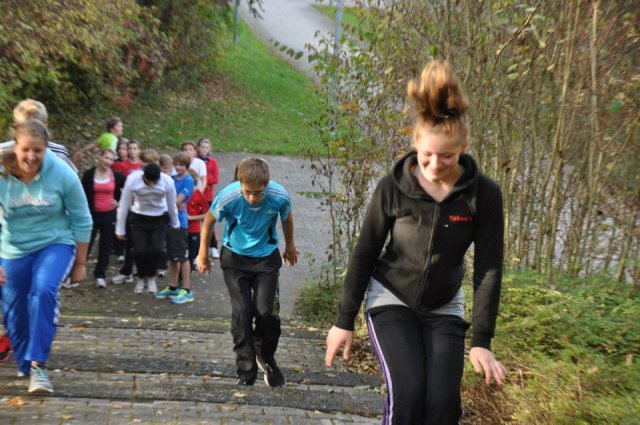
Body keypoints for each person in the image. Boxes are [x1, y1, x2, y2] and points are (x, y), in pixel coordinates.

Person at [324, 60, 507, 424]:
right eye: (426, 155)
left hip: (444, 305)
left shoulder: (484, 195)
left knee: (443, 405)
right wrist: (344, 321)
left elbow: (488, 269)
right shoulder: (393, 188)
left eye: (447, 156)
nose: (435, 165)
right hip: (391, 298)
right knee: (407, 394)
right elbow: (365, 252)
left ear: (464, 148)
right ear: (415, 144)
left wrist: (482, 342)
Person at [0, 119, 92, 394]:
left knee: (43, 290)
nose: (31, 157)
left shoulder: (62, 173)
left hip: (55, 243)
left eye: (38, 151)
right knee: (14, 310)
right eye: (26, 150)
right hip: (14, 248)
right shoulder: (3, 174)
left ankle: (39, 366)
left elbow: (82, 219)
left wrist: (81, 263)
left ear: (45, 150)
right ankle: (26, 362)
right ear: (16, 147)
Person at [197, 157, 298, 387]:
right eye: (247, 192)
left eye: (258, 192)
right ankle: (246, 370)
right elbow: (208, 221)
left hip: (266, 259)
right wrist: (203, 253)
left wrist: (290, 246)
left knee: (266, 313)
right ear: (239, 184)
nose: (253, 198)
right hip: (235, 258)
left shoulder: (279, 196)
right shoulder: (230, 196)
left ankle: (265, 354)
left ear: (267, 185)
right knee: (242, 311)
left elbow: (287, 217)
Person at [116, 162, 179, 294]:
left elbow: (171, 204)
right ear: (143, 177)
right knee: (139, 250)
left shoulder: (167, 182)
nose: (152, 184)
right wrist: (120, 229)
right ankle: (140, 277)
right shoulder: (133, 179)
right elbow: (124, 203)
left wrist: (175, 223)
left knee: (157, 249)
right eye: (149, 181)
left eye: (154, 182)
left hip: (159, 217)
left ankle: (151, 277)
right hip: (139, 217)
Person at [112, 149, 160, 285]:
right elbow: (126, 198)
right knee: (132, 245)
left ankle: (149, 275)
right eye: (145, 162)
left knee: (152, 248)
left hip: (154, 218)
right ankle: (126, 272)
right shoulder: (135, 177)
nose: (148, 165)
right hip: (136, 214)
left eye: (151, 162)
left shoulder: (161, 178)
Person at [81, 149, 125, 288]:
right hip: (91, 215)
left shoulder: (116, 175)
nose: (108, 162)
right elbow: (81, 193)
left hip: (109, 214)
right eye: (106, 158)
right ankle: (76, 273)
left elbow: (128, 189)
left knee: (105, 247)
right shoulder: (89, 174)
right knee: (85, 245)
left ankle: (100, 276)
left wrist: (118, 201)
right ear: (100, 157)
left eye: (111, 160)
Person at [155, 153, 194, 304]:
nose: (178, 168)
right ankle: (173, 287)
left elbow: (177, 201)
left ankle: (187, 289)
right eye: (176, 164)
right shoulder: (171, 179)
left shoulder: (188, 180)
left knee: (182, 256)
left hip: (180, 223)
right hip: (169, 222)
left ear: (186, 166)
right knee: (173, 257)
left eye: (181, 165)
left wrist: (174, 203)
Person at [0, 99, 77, 173]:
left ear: (14, 128)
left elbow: (72, 181)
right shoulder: (58, 152)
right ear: (46, 127)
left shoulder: (58, 153)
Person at [197, 138, 220, 258]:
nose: (204, 149)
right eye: (202, 147)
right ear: (198, 148)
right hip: (195, 197)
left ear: (210, 149)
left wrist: (203, 178)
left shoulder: (213, 162)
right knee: (194, 224)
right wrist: (204, 178)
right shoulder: (195, 161)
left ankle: (213, 246)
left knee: (209, 222)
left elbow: (215, 179)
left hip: (207, 197)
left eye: (206, 147)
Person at [185, 168, 209, 272]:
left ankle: (186, 281)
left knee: (191, 254)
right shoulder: (179, 192)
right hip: (180, 228)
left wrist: (191, 217)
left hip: (193, 229)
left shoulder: (198, 194)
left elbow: (207, 214)